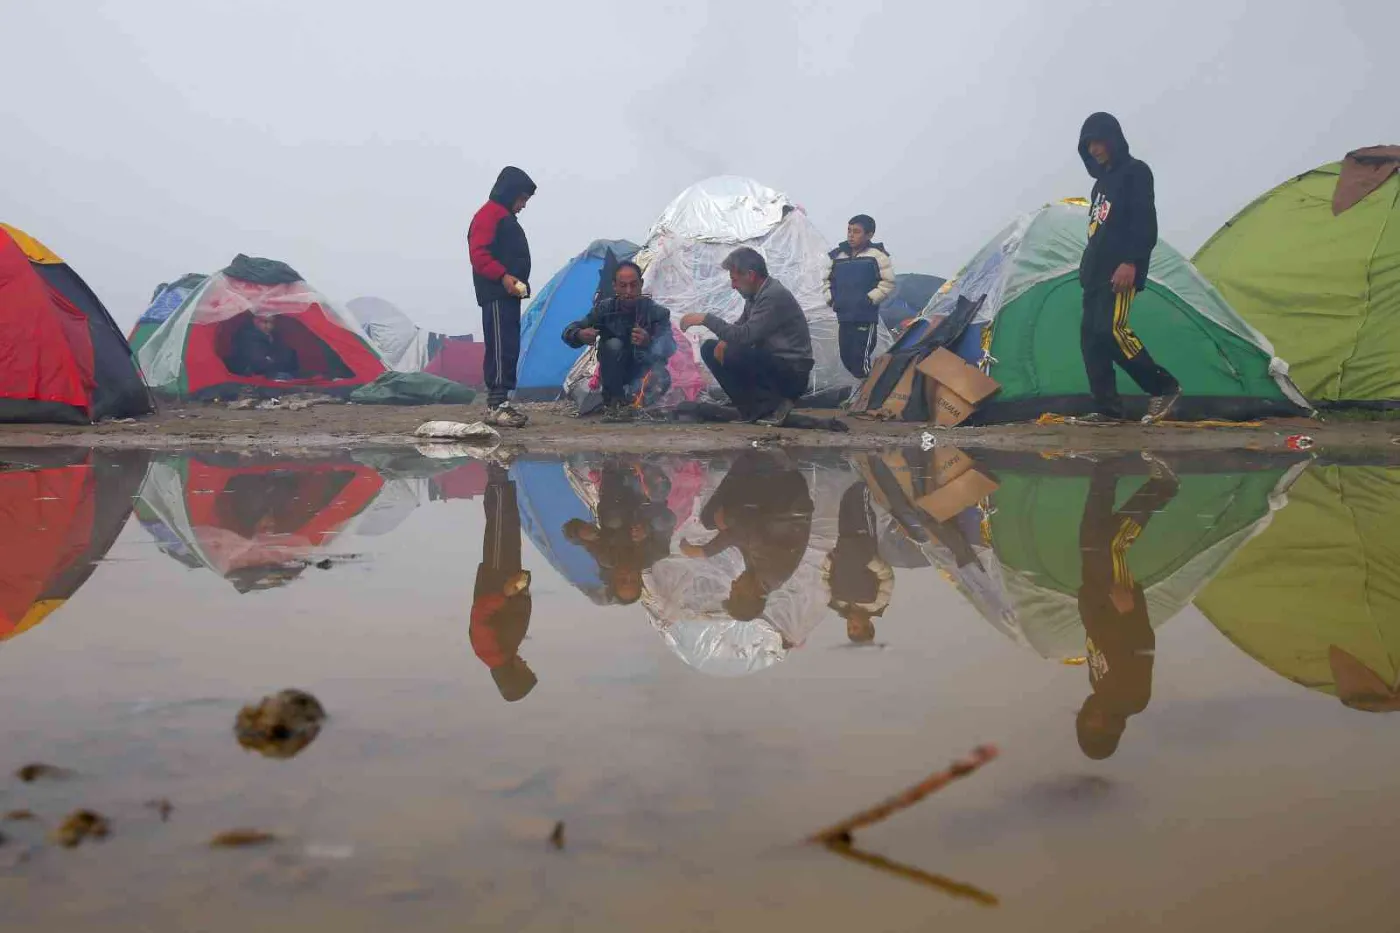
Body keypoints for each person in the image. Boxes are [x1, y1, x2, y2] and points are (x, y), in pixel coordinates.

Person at [1076, 112, 1182, 425]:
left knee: (1111, 330)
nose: (1094, 149)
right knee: (1090, 339)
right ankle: (1107, 410)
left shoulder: (1136, 172)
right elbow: (1097, 232)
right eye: (1088, 144)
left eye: (1099, 141)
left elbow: (1144, 221)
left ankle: (1164, 387)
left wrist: (1131, 262)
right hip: (1095, 275)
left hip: (1120, 270)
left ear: (1113, 139)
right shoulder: (1099, 188)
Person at [1075, 453, 1179, 760]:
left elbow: (1098, 640)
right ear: (1111, 731)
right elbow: (1143, 647)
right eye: (1098, 729)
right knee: (1110, 544)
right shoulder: (1132, 700)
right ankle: (1164, 486)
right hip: (1116, 603)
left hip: (1096, 597)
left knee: (1090, 536)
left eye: (1086, 726)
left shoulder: (1098, 687)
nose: (1092, 720)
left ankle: (1106, 467)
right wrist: (1129, 610)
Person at [679, 247, 814, 427]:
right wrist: (724, 340)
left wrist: (705, 319)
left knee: (734, 351)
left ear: (750, 275)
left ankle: (775, 405)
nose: (733, 286)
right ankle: (750, 407)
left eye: (734, 280)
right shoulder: (755, 296)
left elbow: (745, 336)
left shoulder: (772, 296)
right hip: (774, 366)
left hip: (791, 373)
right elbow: (741, 325)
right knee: (710, 349)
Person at [679, 449, 814, 622]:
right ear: (751, 595)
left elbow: (745, 540)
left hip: (776, 506)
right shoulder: (771, 573)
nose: (734, 583)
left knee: (711, 520)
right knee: (724, 517)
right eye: (736, 589)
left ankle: (754, 464)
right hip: (786, 493)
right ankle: (760, 461)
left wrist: (724, 533)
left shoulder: (762, 578)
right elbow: (744, 531)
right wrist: (705, 551)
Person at [561, 261, 676, 423]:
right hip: (614, 376)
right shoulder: (604, 309)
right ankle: (615, 402)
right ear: (615, 286)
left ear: (641, 285)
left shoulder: (657, 312)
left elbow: (670, 347)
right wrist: (580, 334)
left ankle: (636, 406)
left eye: (633, 285)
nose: (628, 292)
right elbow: (569, 331)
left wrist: (649, 341)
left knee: (662, 376)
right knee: (613, 345)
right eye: (623, 286)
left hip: (643, 374)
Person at [469, 166, 538, 429]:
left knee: (508, 344)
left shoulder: (503, 216)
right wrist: (503, 277)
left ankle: (502, 401)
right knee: (500, 345)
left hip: (508, 293)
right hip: (497, 292)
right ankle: (496, 405)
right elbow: (479, 255)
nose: (522, 206)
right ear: (509, 193)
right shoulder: (489, 215)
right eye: (521, 199)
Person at [562, 457, 676, 604]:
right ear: (640, 579)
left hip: (619, 489)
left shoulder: (607, 556)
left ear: (614, 578)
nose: (628, 575)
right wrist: (648, 528)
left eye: (623, 580)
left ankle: (614, 465)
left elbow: (571, 533)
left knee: (613, 521)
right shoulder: (656, 552)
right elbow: (668, 520)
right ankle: (645, 465)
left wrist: (580, 532)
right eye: (633, 580)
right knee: (660, 502)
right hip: (647, 495)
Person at [470, 462, 537, 702]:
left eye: (525, 668)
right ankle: (501, 472)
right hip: (507, 579)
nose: (525, 663)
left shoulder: (490, 652)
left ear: (515, 675)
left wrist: (506, 593)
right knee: (509, 525)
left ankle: (497, 473)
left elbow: (480, 614)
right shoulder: (505, 653)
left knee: (501, 524)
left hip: (497, 578)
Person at [822, 479, 895, 644]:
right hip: (864, 540)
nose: (850, 624)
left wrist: (831, 560)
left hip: (842, 541)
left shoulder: (837, 603)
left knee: (845, 502)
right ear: (868, 624)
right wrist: (866, 560)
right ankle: (867, 470)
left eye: (849, 628)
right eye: (855, 627)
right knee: (860, 497)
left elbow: (824, 579)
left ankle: (855, 467)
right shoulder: (877, 603)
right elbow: (887, 577)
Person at [824, 214, 895, 379]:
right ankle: (864, 392)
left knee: (860, 358)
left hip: (864, 317)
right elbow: (826, 280)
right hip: (844, 316)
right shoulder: (837, 256)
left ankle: (869, 394)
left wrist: (869, 299)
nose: (850, 235)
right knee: (846, 357)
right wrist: (832, 299)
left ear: (869, 235)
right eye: (849, 230)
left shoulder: (877, 256)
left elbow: (888, 282)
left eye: (856, 231)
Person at [227, 312, 299, 379]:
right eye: (264, 322)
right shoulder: (246, 336)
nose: (268, 326)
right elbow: (257, 361)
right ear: (255, 320)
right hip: (252, 373)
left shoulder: (273, 335)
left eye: (272, 323)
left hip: (271, 370)